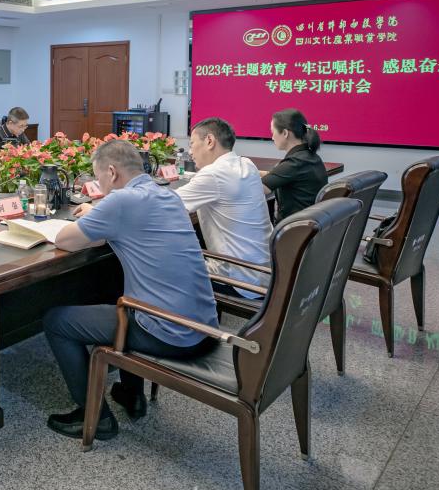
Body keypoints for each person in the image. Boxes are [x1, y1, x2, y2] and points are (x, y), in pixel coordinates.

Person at [44, 139, 218, 438]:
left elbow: (65, 240)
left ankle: (95, 417)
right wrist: (99, 211)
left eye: (98, 178)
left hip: (169, 333)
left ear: (112, 172)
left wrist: (97, 211)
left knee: (57, 322)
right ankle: (131, 393)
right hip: (203, 326)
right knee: (118, 293)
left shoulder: (121, 202)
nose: (100, 186)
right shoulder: (167, 195)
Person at [174, 117, 272, 299]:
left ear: (209, 141)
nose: (190, 152)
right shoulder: (246, 164)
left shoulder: (214, 174)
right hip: (265, 272)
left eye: (192, 144)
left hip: (239, 279)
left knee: (165, 265)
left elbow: (163, 205)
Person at [262, 108, 328, 222]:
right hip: (309, 226)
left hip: (292, 228)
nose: (272, 137)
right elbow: (279, 175)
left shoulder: (295, 163)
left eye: (273, 132)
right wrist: (256, 172)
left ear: (285, 133)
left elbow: (258, 188)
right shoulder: (310, 157)